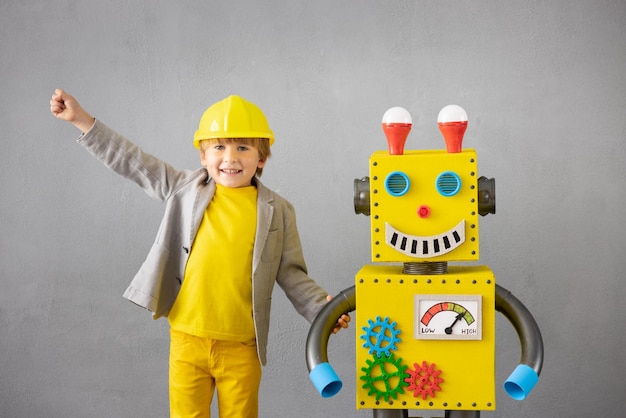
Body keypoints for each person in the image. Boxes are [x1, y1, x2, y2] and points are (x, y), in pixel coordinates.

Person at [49, 89, 350, 418]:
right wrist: (81, 120)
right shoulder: (184, 189)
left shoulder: (279, 211)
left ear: (261, 158)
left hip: (242, 346)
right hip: (186, 339)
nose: (230, 157)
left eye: (243, 147)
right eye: (219, 146)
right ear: (203, 156)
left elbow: (292, 273)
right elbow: (132, 162)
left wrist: (323, 309)